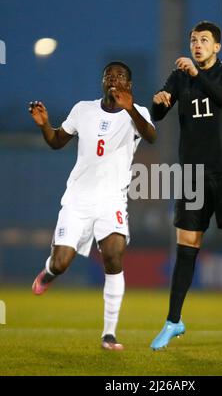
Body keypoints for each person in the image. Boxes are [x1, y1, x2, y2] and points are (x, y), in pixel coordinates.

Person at [150, 21, 222, 352]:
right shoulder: (180, 76)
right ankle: (173, 321)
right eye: (193, 40)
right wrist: (158, 100)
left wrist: (198, 77)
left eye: (203, 40)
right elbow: (158, 112)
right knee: (186, 245)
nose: (196, 45)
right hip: (192, 175)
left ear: (217, 47)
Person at [29, 61, 156, 351]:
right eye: (109, 75)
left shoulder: (137, 113)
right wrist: (45, 126)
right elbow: (56, 142)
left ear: (129, 84)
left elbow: (151, 136)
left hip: (112, 199)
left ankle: (109, 335)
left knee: (113, 256)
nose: (114, 79)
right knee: (61, 263)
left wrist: (130, 108)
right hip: (78, 199)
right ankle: (48, 273)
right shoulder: (83, 110)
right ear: (102, 81)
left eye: (120, 76)